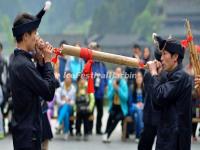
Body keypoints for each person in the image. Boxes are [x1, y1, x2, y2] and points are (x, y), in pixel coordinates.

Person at [10, 2, 56, 150]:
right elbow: (48, 92)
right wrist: (48, 61)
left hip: (27, 133)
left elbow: (41, 87)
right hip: (27, 136)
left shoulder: (22, 60)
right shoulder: (23, 65)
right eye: (34, 33)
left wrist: (41, 61)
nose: (36, 37)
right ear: (25, 36)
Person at [147, 34, 192, 150]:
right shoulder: (169, 76)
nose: (161, 58)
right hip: (166, 134)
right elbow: (156, 104)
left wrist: (154, 74)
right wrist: (158, 75)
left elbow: (159, 96)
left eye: (164, 54)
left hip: (175, 139)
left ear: (175, 57)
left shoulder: (181, 77)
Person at [138, 48, 166, 150]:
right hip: (151, 115)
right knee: (145, 143)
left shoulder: (163, 73)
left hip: (158, 116)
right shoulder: (150, 74)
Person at [102, 67, 128, 143]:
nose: (117, 74)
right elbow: (109, 97)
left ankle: (108, 134)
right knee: (110, 116)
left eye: (119, 72)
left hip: (122, 108)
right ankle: (106, 133)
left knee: (117, 118)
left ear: (121, 74)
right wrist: (113, 88)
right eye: (116, 72)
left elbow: (125, 98)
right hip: (114, 106)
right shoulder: (111, 82)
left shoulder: (124, 83)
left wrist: (118, 89)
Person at [89, 42, 108, 135]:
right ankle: (89, 128)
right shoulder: (90, 62)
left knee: (100, 112)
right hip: (91, 91)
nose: (97, 50)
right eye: (95, 49)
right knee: (91, 111)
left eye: (98, 49)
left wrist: (106, 86)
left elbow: (106, 76)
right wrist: (90, 47)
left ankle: (98, 129)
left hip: (100, 92)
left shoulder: (102, 64)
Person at [55, 71, 76, 140]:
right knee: (66, 114)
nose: (68, 79)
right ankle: (66, 132)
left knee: (67, 107)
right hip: (60, 108)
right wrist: (66, 101)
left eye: (70, 77)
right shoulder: (60, 86)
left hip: (70, 108)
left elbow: (73, 102)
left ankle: (58, 122)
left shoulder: (73, 88)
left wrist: (66, 100)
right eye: (67, 77)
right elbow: (58, 100)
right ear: (64, 77)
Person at [75, 74, 95, 141]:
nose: (82, 81)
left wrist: (90, 107)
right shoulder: (77, 88)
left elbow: (92, 99)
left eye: (83, 79)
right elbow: (74, 99)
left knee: (86, 120)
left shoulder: (88, 87)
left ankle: (86, 133)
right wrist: (75, 109)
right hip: (79, 108)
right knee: (78, 120)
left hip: (86, 108)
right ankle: (78, 132)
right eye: (81, 79)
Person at [128, 70, 144, 142]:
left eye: (140, 76)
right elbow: (130, 103)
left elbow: (146, 101)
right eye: (137, 77)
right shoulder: (131, 88)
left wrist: (142, 104)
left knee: (137, 115)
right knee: (138, 110)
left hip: (142, 109)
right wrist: (136, 105)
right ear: (135, 78)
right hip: (133, 108)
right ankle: (141, 134)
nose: (139, 78)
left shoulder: (145, 88)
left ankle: (138, 136)